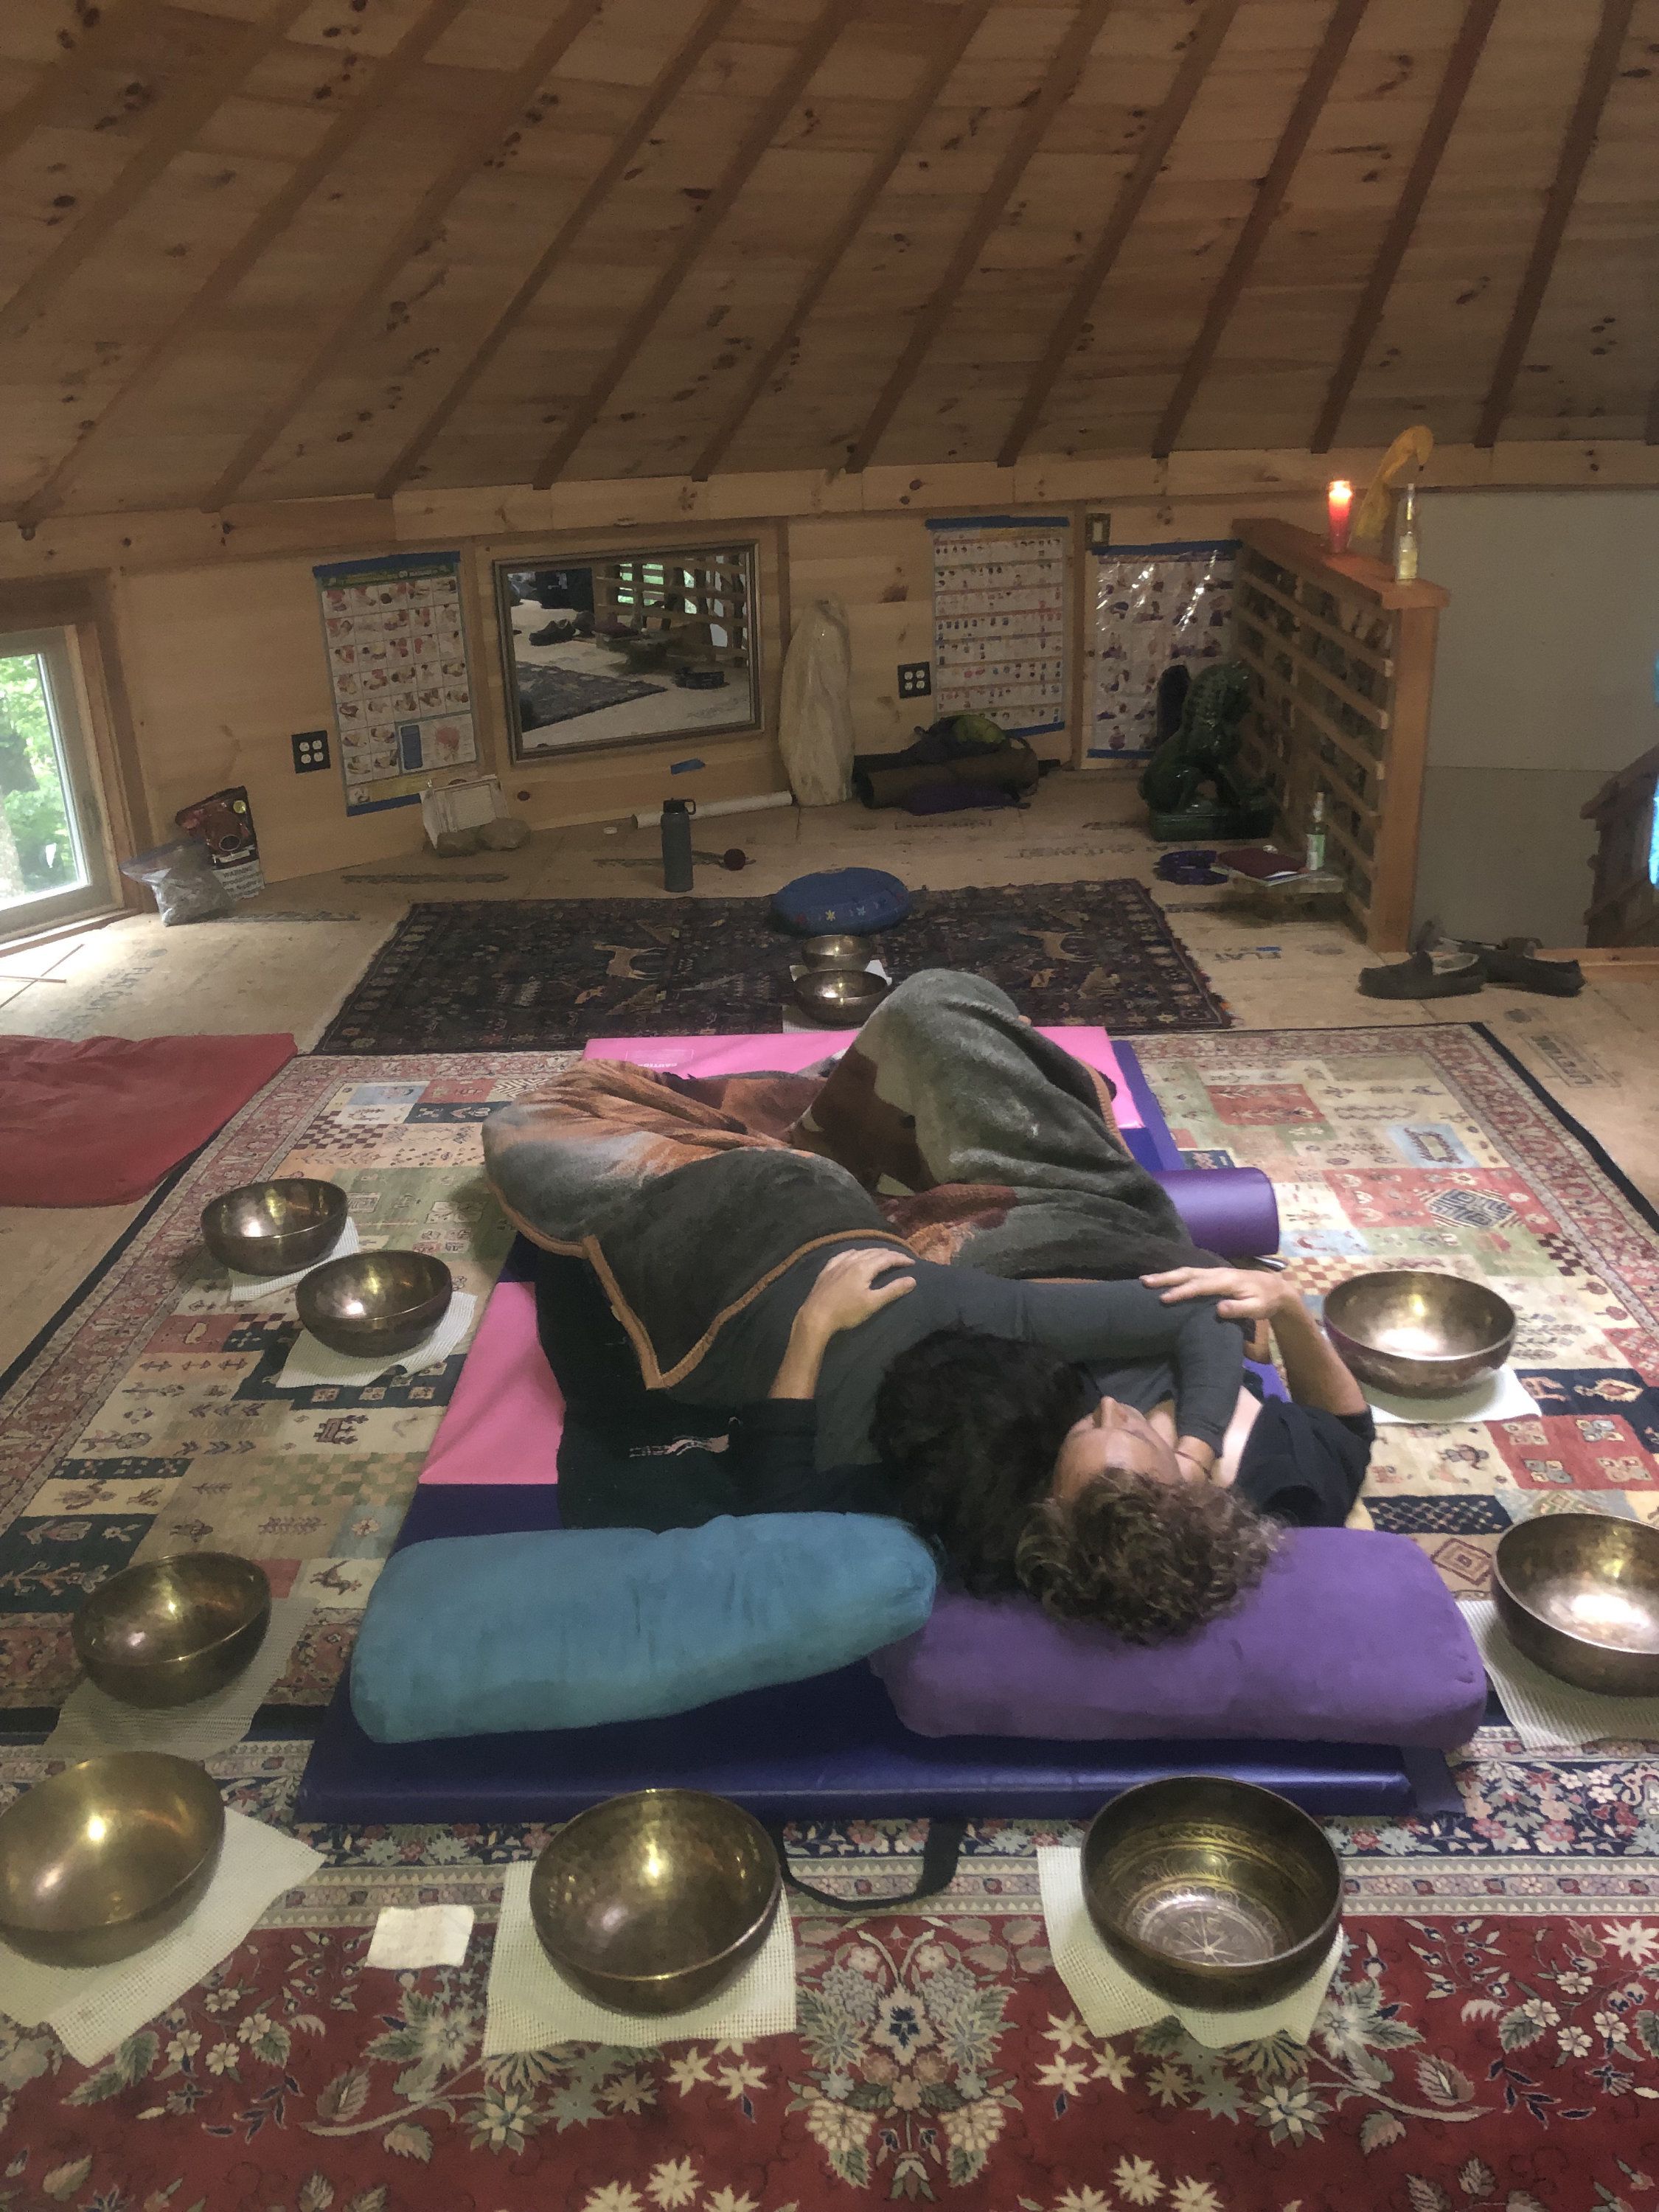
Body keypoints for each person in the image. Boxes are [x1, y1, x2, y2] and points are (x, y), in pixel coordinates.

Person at [874, 1265, 1373, 1644]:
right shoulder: (1294, 1486)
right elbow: (1348, 1426)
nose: (1111, 1407)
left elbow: (1024, 1309)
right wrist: (1287, 1307)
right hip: (1164, 1269)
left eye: (1086, 1427)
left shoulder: (1018, 1450)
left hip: (1064, 1275)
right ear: (1185, 1488)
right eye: (1134, 1433)